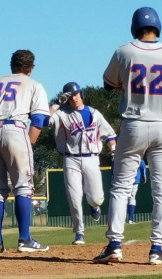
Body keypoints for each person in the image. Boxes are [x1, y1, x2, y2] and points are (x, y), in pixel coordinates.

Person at [93, 7, 162, 265]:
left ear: (134, 27)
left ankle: (115, 244)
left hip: (134, 124)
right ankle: (157, 249)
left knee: (121, 187)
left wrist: (124, 81)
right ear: (158, 26)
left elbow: (107, 83)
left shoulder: (124, 51)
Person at [0, 49, 50, 253]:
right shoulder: (33, 84)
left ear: (12, 65)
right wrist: (28, 145)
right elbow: (39, 120)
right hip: (14, 129)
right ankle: (24, 239)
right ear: (31, 68)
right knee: (23, 186)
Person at [46, 82, 116, 245]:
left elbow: (109, 134)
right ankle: (79, 232)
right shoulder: (62, 114)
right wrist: (56, 104)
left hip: (91, 157)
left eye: (76, 94)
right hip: (70, 158)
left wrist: (113, 150)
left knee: (97, 198)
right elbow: (44, 121)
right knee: (74, 197)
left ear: (81, 94)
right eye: (70, 96)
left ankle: (94, 206)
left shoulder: (94, 113)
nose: (74, 98)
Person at [127, 160, 147, 224]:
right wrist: (144, 176)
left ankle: (122, 219)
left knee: (122, 198)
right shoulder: (139, 155)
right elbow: (143, 166)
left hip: (124, 179)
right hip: (134, 179)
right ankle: (130, 219)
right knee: (132, 197)